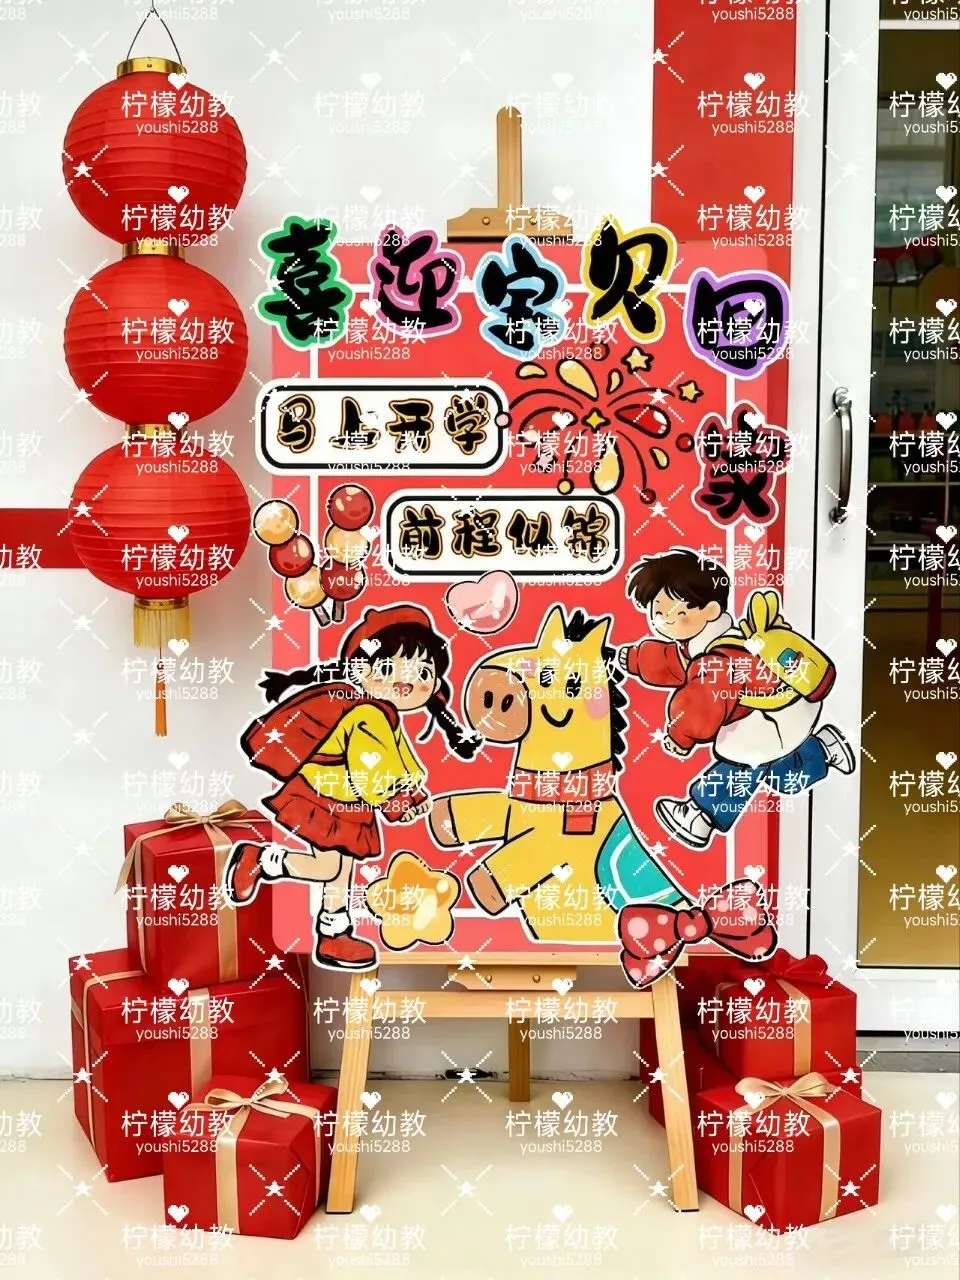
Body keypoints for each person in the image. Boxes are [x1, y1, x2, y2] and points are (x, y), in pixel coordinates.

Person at [223, 605, 480, 970]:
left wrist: (413, 794)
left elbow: (401, 761)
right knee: (329, 868)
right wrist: (396, 801)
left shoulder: (384, 715)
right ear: (363, 670)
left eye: (423, 671)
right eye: (390, 668)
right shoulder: (367, 714)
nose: (407, 681)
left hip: (348, 803)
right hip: (324, 796)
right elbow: (371, 770)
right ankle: (262, 860)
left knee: (343, 871)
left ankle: (334, 934)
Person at [618, 549, 855, 849]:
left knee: (742, 767)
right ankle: (823, 749)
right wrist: (636, 659)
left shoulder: (718, 660)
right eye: (657, 613)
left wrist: (680, 737)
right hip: (783, 708)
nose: (662, 622)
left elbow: (700, 707)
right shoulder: (708, 641)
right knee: (782, 775)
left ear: (710, 610)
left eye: (675, 613)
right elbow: (673, 662)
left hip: (771, 718)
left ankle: (699, 815)